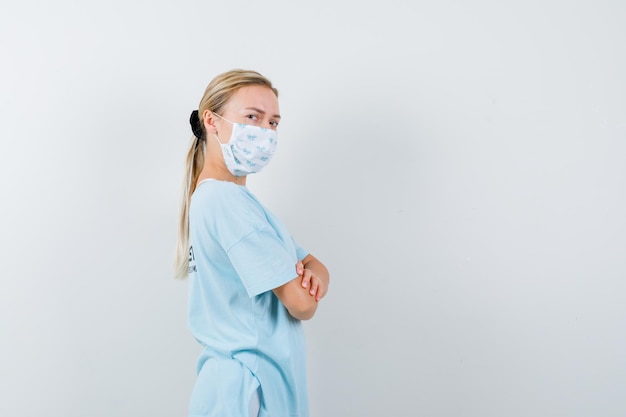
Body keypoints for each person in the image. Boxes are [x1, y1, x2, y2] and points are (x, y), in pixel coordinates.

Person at [174, 69, 330, 417]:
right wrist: (310, 281)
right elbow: (302, 303)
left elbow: (314, 265)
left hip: (241, 385)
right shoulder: (225, 203)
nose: (265, 131)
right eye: (252, 117)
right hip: (246, 390)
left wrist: (313, 275)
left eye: (273, 122)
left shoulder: (234, 203)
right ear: (211, 121)